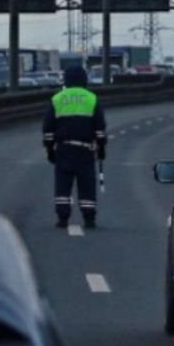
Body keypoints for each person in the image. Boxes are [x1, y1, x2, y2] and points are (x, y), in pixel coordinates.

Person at [43, 66, 107, 228]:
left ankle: (63, 217)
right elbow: (100, 129)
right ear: (84, 79)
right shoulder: (92, 98)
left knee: (63, 183)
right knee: (86, 184)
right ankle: (89, 218)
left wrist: (50, 150)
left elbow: (48, 129)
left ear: (66, 80)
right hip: (85, 150)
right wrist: (101, 148)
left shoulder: (57, 99)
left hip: (64, 149)